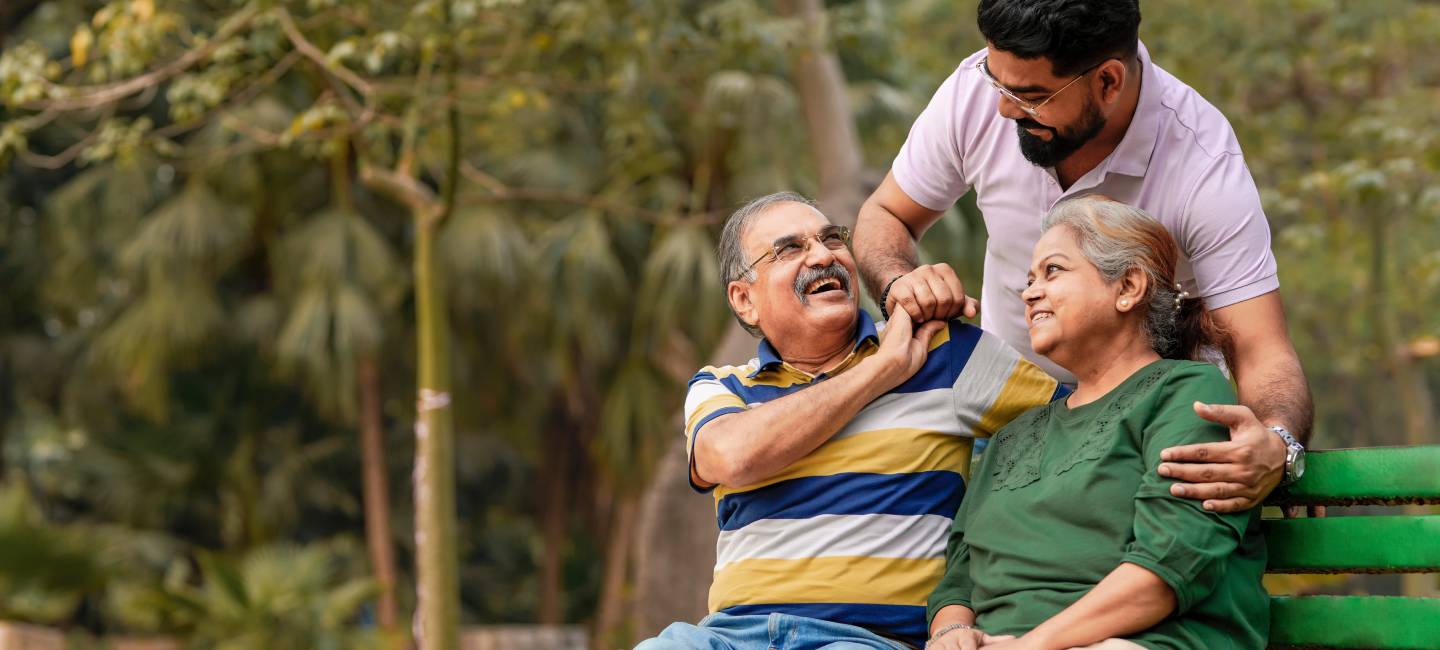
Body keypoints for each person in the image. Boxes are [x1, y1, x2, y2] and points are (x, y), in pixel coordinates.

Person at [853, 0, 1311, 515]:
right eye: (995, 80)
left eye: (1030, 95)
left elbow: (1260, 347)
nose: (1003, 109)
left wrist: (1277, 443)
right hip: (1001, 413)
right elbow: (886, 214)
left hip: (1143, 427)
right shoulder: (974, 96)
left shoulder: (1200, 160)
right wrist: (899, 281)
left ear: (1109, 82)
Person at [634, 192, 1063, 649]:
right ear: (744, 300)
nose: (823, 255)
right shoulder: (723, 386)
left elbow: (1091, 413)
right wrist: (882, 371)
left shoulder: (942, 351)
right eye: (790, 249)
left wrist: (1150, 441)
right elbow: (731, 456)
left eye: (832, 239)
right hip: (731, 637)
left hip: (868, 639)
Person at [926, 196, 1268, 650]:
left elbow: (1169, 569)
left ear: (1127, 286)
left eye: (1053, 271)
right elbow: (959, 577)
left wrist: (1031, 647)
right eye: (1028, 280)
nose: (1029, 293)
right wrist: (951, 633)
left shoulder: (1185, 393)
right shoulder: (1013, 435)